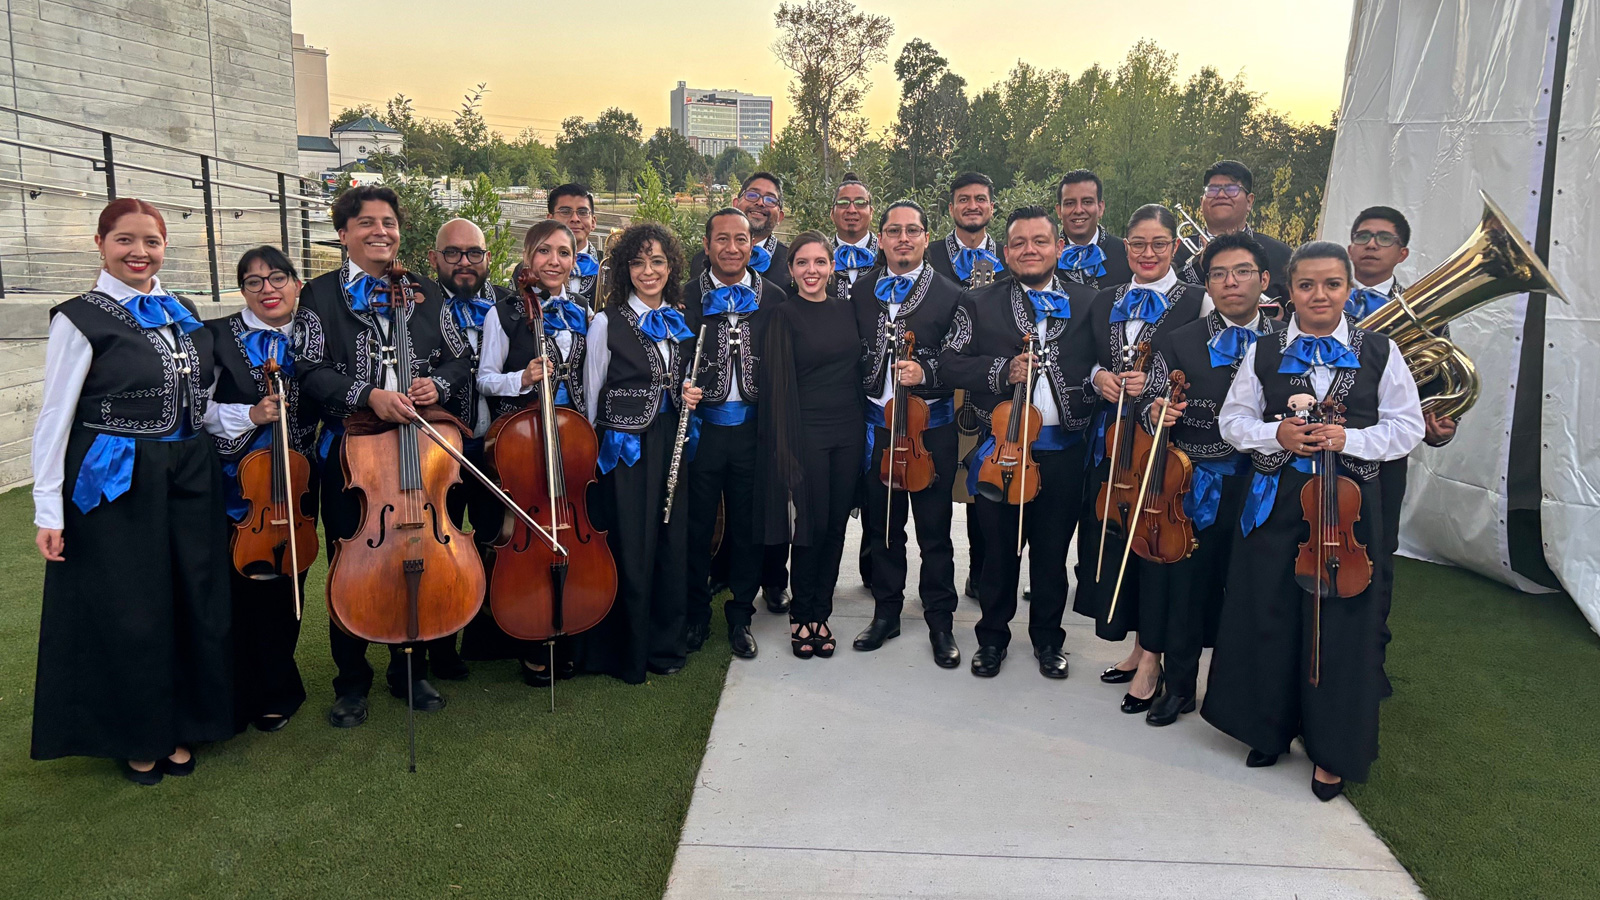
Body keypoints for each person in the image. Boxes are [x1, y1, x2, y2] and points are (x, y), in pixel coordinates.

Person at [1205, 241, 1423, 801]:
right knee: (1268, 610)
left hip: (1346, 510)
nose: (1319, 295)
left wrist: (1350, 437)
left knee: (1342, 625)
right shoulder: (1264, 349)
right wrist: (1274, 433)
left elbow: (1407, 427)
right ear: (1289, 289)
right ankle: (1265, 727)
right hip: (1277, 500)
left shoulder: (1380, 350)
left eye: (1331, 284)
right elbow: (1234, 419)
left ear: (1348, 289)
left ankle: (1331, 750)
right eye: (1307, 285)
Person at [31, 198, 230, 784]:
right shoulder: (78, 317)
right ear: (100, 244)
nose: (139, 252)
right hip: (119, 478)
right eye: (124, 240)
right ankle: (138, 734)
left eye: (151, 241)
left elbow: (202, 401)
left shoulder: (183, 311)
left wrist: (252, 414)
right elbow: (54, 417)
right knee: (132, 606)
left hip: (192, 471)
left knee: (193, 596)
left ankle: (186, 721)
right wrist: (49, 508)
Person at [296, 185, 474, 727]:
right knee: (354, 559)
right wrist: (366, 395)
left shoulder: (425, 293)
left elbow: (459, 355)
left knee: (414, 555)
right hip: (353, 453)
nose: (381, 231)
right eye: (367, 222)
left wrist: (435, 387)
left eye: (389, 222)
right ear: (344, 233)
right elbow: (308, 368)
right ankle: (351, 680)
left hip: (418, 447)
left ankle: (410, 668)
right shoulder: (320, 295)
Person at [938, 207, 1099, 679]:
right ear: (1006, 252)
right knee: (998, 553)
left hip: (1065, 449)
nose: (1030, 249)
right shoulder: (978, 302)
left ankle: (1049, 640)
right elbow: (948, 362)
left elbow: (1100, 364)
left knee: (1052, 554)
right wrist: (1000, 371)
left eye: (1040, 241)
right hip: (1001, 451)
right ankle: (992, 639)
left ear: (1059, 248)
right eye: (1020, 243)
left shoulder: (1091, 302)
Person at [1133, 233, 1282, 726]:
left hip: (1264, 486)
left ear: (1263, 281)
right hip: (1195, 486)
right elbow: (1146, 408)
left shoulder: (1288, 342)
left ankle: (1243, 694)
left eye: (1241, 272)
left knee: (1250, 591)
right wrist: (1155, 411)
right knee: (1187, 588)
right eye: (1218, 274)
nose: (1229, 282)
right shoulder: (1180, 341)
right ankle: (1179, 686)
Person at [1073, 204, 1203, 713]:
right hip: (1114, 440)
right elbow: (1083, 357)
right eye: (1137, 244)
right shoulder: (1106, 300)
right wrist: (1095, 379)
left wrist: (1155, 389)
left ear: (1174, 247)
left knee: (1158, 545)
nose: (1147, 253)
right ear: (1124, 246)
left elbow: (1206, 367)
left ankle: (1154, 657)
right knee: (1121, 536)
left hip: (1169, 443)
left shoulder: (1198, 300)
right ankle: (1137, 645)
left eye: (1159, 244)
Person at [580, 222, 703, 683]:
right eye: (637, 262)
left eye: (657, 261)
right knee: (630, 545)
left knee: (671, 541)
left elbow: (681, 379)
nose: (647, 271)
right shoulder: (605, 323)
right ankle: (626, 651)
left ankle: (664, 646)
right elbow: (592, 398)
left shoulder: (680, 318)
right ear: (625, 269)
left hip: (672, 439)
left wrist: (691, 391)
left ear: (670, 267)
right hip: (625, 451)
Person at [205, 246, 321, 735]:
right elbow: (199, 412)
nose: (267, 289)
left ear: (296, 283)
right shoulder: (215, 337)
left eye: (277, 278)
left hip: (299, 481)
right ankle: (241, 689)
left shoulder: (316, 333)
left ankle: (279, 685)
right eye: (254, 282)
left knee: (289, 585)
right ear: (242, 291)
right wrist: (250, 415)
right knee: (243, 590)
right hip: (243, 483)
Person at [476, 219, 590, 685]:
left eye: (564, 253)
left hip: (573, 438)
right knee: (520, 538)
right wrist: (521, 378)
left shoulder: (584, 309)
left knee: (573, 529)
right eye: (545, 252)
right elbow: (483, 378)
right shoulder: (501, 313)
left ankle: (568, 625)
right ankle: (527, 632)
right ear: (528, 258)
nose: (555, 261)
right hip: (522, 441)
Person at [850, 200, 964, 668]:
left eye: (912, 231)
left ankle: (940, 621)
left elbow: (961, 357)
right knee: (883, 529)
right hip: (877, 429)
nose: (902, 239)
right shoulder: (861, 291)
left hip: (929, 432)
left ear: (924, 238)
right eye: (893, 231)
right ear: (881, 239)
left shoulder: (952, 294)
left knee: (934, 532)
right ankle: (886, 612)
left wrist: (928, 369)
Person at [682, 208, 787, 660]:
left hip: (753, 432)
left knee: (747, 526)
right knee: (696, 525)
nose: (731, 248)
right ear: (706, 246)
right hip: (702, 433)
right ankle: (694, 611)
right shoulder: (684, 296)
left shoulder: (775, 297)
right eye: (721, 239)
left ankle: (741, 615)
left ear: (753, 245)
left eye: (740, 239)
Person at [758, 232, 865, 658]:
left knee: (837, 525)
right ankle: (802, 614)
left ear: (832, 266)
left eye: (820, 262)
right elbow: (779, 387)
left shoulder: (848, 310)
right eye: (803, 263)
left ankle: (823, 610)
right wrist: (787, 447)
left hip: (849, 430)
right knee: (810, 526)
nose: (812, 271)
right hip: (807, 432)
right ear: (791, 270)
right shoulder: (783, 316)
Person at [428, 218, 514, 673]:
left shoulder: (508, 303)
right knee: (440, 549)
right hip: (440, 448)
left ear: (487, 257)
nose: (465, 262)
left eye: (474, 253)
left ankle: (488, 638)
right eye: (454, 253)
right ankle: (439, 648)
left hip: (498, 447)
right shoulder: (417, 306)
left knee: (494, 541)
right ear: (435, 258)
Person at [1172, 160, 1292, 315]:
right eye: (1212, 190)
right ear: (1202, 202)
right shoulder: (1175, 251)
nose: (1221, 195)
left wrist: (1281, 319)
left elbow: (1298, 308)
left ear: (1249, 202)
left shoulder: (1281, 254)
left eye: (1231, 189)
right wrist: (1198, 267)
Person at [690, 171, 790, 288]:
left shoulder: (792, 264)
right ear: (735, 204)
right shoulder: (701, 260)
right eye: (752, 195)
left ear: (780, 216)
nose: (760, 203)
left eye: (770, 200)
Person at [1055, 169, 1133, 288]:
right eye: (1070, 203)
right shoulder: (1046, 257)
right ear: (1059, 211)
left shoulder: (1126, 254)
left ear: (1100, 208)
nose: (1079, 210)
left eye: (1087, 202)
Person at [927, 172, 1007, 287]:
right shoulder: (928, 257)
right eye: (964, 200)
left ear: (991, 208)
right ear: (951, 209)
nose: (972, 206)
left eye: (980, 199)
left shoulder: (1009, 258)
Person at [547, 183, 602, 307]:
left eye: (583, 212)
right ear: (549, 220)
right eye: (565, 212)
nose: (575, 219)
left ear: (593, 222)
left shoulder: (611, 266)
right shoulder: (529, 267)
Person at [831, 174, 880, 299]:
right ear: (832, 213)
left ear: (871, 212)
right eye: (843, 203)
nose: (852, 210)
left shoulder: (888, 256)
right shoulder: (819, 257)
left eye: (860, 203)